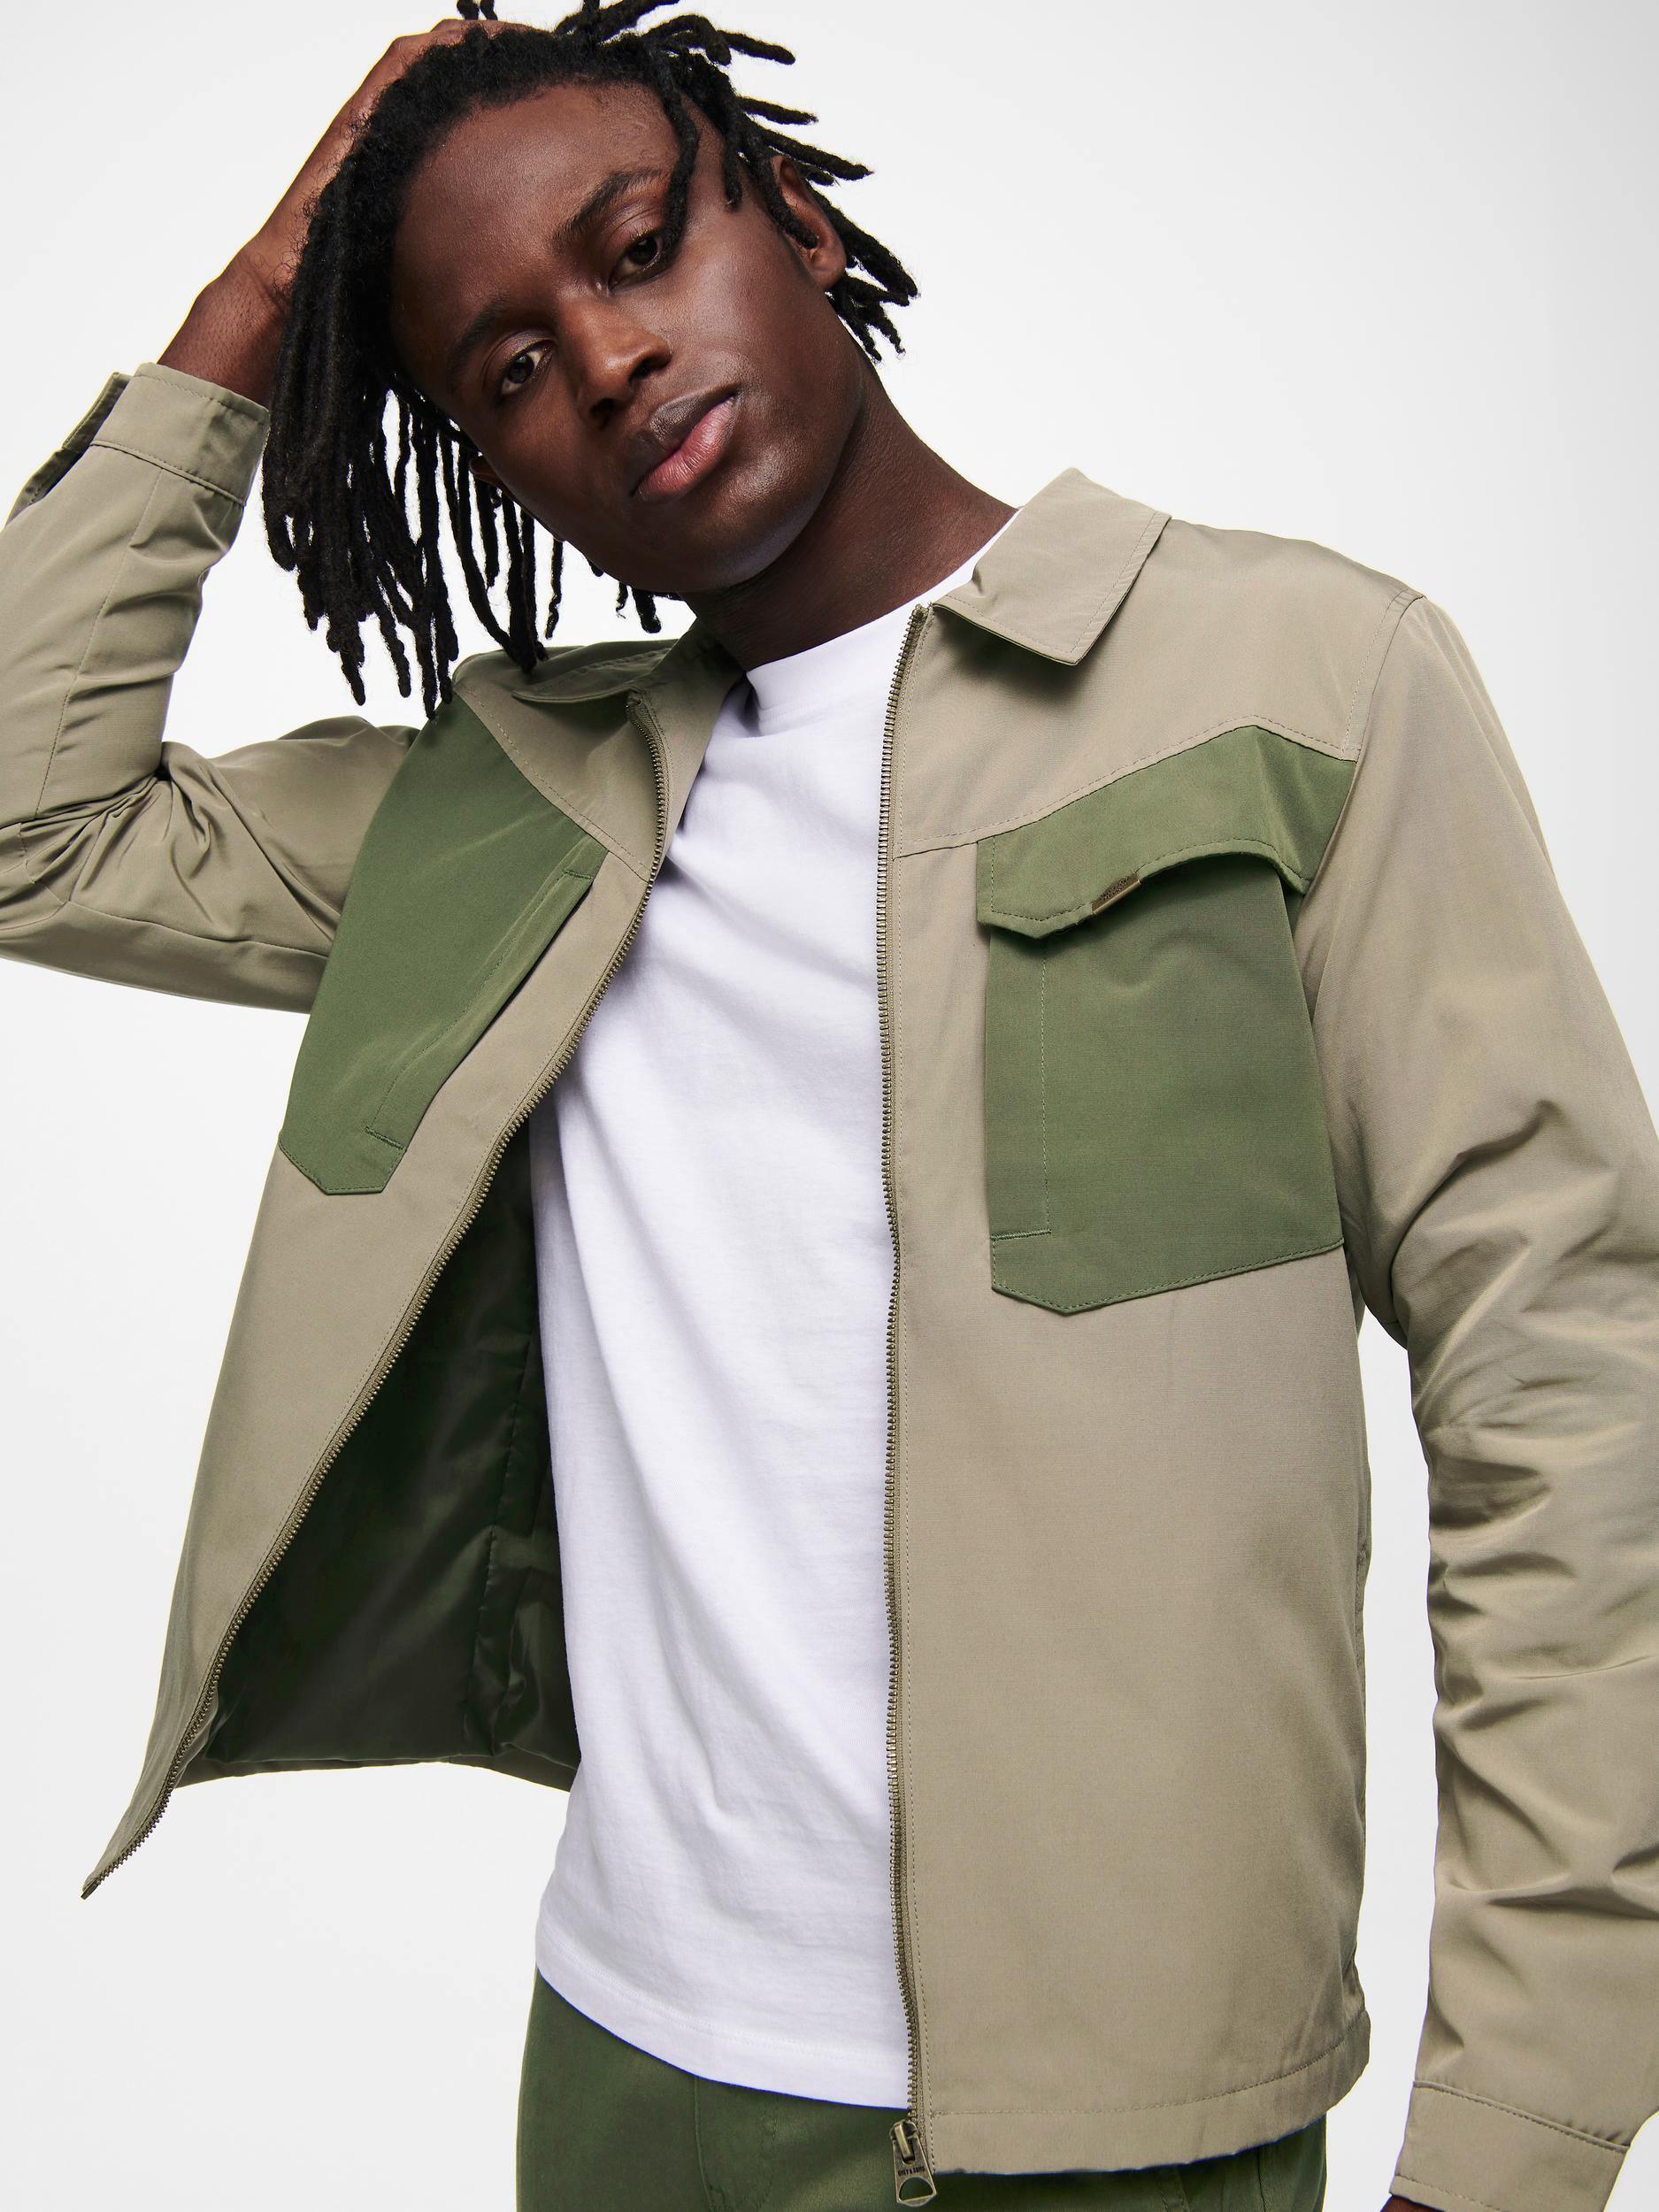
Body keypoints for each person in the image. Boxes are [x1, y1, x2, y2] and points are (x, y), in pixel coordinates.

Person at [3, 6, 1655, 2209]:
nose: (606, 359)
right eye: (507, 368)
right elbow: (29, 820)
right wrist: (253, 308)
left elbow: (1570, 1382)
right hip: (630, 2070)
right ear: (488, 469)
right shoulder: (507, 813)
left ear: (784, 212)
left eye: (637, 246)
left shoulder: (1292, 677)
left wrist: (1520, 2128)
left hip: (1121, 2110)